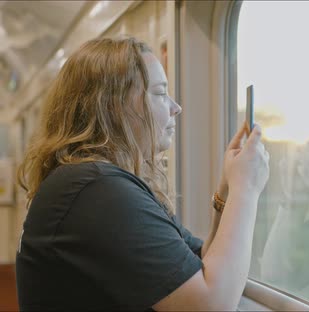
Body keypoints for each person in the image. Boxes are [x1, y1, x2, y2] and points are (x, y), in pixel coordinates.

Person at [15, 36, 269, 311]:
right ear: (113, 106)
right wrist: (246, 189)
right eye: (160, 93)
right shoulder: (95, 190)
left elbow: (198, 263)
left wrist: (226, 192)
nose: (176, 107)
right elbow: (211, 305)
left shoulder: (93, 183)